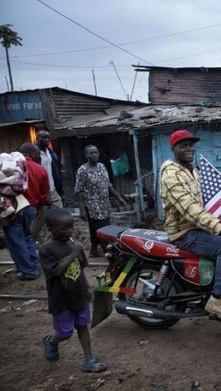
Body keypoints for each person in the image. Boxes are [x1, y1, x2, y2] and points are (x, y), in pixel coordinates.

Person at [160, 130, 221, 323]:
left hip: (197, 227)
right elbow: (190, 208)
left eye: (191, 145)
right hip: (184, 232)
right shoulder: (171, 174)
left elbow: (209, 202)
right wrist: (219, 229)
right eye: (183, 145)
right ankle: (218, 300)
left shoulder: (193, 171)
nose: (189, 148)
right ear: (173, 149)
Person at [40, 208, 106, 372]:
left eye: (70, 227)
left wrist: (87, 286)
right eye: (63, 228)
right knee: (65, 333)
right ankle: (52, 341)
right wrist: (73, 253)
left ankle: (89, 360)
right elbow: (56, 271)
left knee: (83, 326)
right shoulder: (46, 250)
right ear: (50, 229)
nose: (68, 231)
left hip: (78, 294)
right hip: (61, 299)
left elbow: (80, 268)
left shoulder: (72, 243)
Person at [74, 145, 127, 257]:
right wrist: (82, 209)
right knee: (102, 228)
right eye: (91, 153)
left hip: (104, 204)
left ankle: (93, 248)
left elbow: (108, 185)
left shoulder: (102, 167)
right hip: (92, 205)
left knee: (98, 228)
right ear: (86, 155)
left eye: (96, 152)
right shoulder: (82, 170)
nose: (94, 155)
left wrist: (119, 198)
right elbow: (78, 190)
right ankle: (107, 251)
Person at [1, 149, 40, 280]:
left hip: (12, 212)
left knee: (17, 242)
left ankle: (29, 271)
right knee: (27, 237)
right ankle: (35, 265)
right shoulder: (20, 173)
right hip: (25, 206)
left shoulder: (4, 180)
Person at [31, 129, 63, 242]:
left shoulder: (50, 152)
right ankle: (30, 240)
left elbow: (55, 169)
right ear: (37, 138)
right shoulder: (34, 153)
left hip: (52, 187)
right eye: (43, 138)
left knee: (59, 211)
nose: (46, 140)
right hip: (40, 190)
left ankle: (56, 239)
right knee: (40, 218)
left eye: (48, 138)